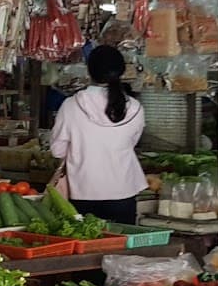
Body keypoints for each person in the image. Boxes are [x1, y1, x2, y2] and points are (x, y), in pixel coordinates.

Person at [47, 45, 145, 225]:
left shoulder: (71, 105)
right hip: (123, 191)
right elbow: (131, 143)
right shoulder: (134, 107)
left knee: (87, 245)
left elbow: (57, 150)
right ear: (121, 71)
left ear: (89, 71)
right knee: (120, 248)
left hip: (83, 190)